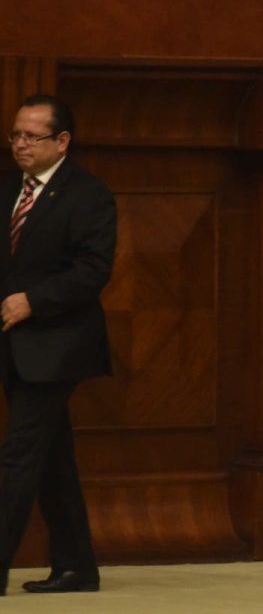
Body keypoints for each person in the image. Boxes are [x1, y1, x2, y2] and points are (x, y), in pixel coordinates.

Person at [0, 94, 115, 595]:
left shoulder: (88, 195)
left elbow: (93, 270)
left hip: (58, 345)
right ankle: (76, 566)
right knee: (51, 456)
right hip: (14, 345)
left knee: (20, 454)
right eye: (15, 135)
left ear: (62, 141)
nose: (20, 144)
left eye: (32, 136)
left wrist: (34, 301)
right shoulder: (9, 188)